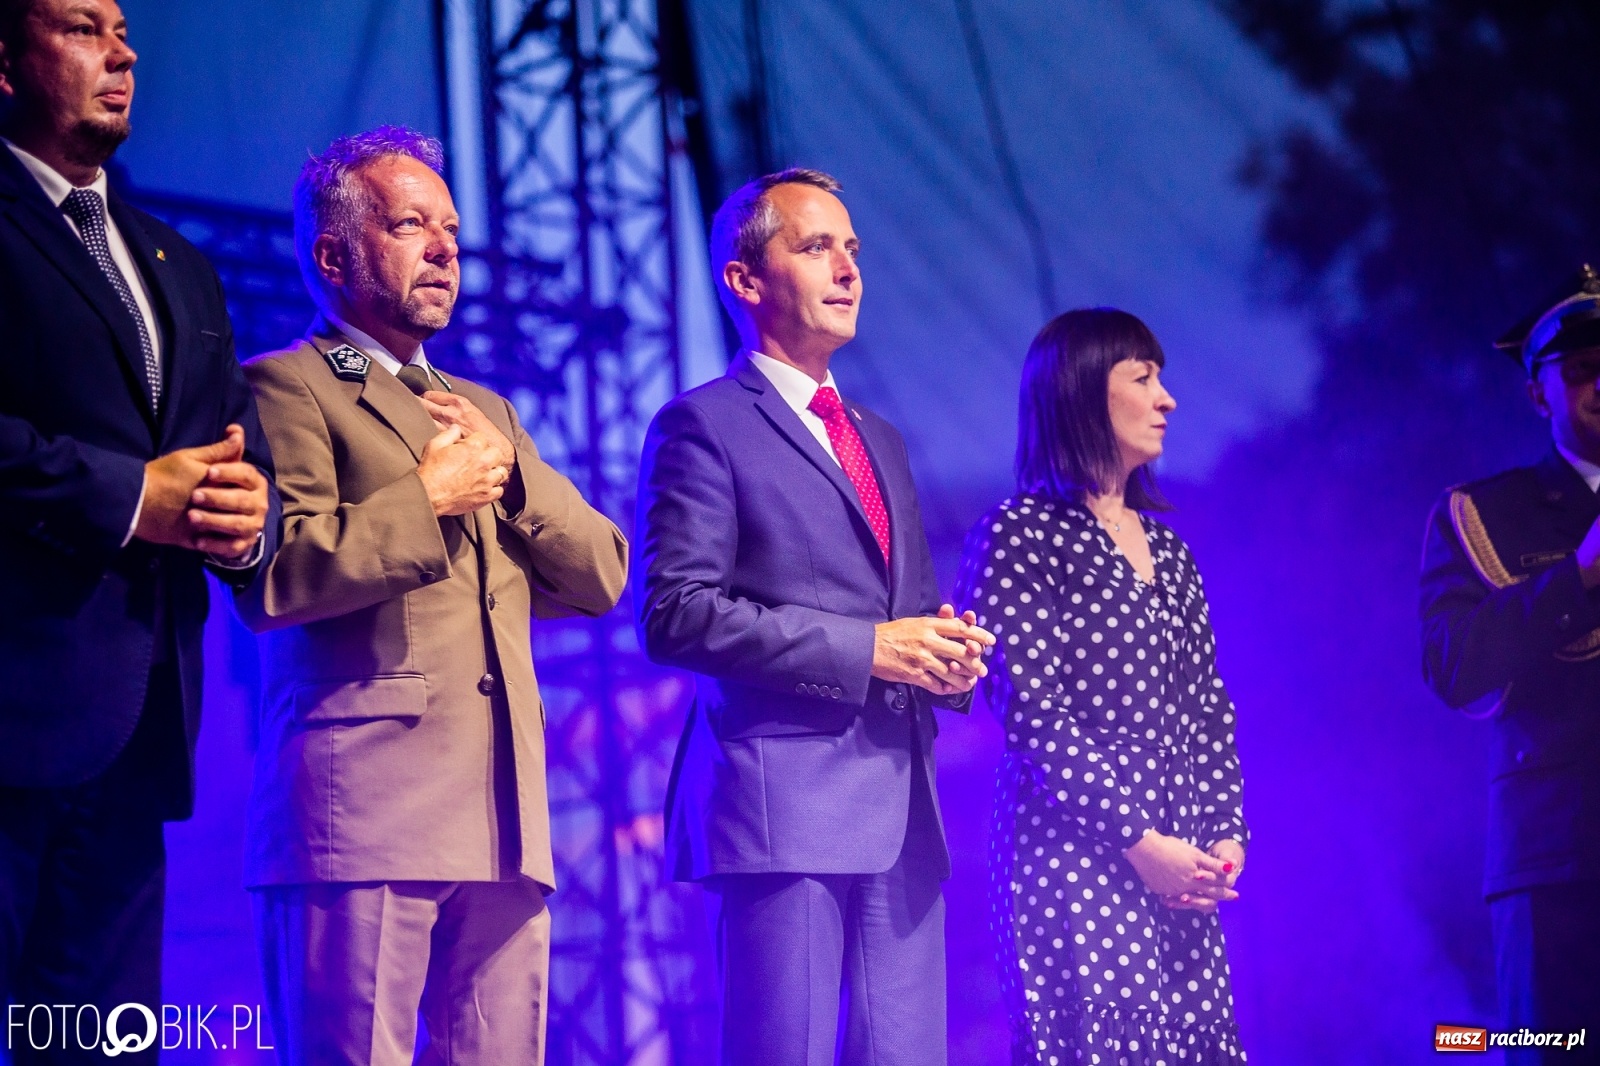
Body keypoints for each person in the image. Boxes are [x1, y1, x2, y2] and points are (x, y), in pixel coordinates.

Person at [233, 126, 627, 1066]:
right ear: (334, 256)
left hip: (505, 823)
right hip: (365, 814)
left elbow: (604, 575)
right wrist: (426, 497)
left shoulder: (487, 411)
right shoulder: (285, 386)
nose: (447, 250)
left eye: (451, 229)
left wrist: (513, 477)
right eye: (412, 226)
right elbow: (276, 577)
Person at [635, 167, 994, 1066]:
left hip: (903, 812)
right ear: (745, 280)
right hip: (782, 812)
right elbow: (675, 612)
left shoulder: (880, 438)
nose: (848, 269)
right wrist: (869, 649)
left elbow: (905, 614)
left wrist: (943, 657)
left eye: (853, 249)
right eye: (816, 246)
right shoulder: (702, 426)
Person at [0, 0, 277, 1044]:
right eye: (82, 28)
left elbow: (239, 446)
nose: (120, 52)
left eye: (123, 31)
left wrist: (247, 520)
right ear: (5, 62)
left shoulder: (177, 261)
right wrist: (129, 497)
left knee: (99, 1040)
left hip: (138, 725)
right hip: (13, 705)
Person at [953, 309, 1247, 1064]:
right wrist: (1138, 842)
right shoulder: (1019, 534)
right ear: (1082, 393)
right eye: (1142, 378)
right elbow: (1033, 715)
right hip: (1073, 855)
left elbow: (1208, 708)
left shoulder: (1171, 552)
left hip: (1179, 858)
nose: (1166, 398)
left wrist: (1223, 836)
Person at [1420, 266, 1600, 1064]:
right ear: (1538, 394)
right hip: (1560, 857)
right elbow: (1452, 665)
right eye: (1584, 369)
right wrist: (1577, 577)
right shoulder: (1486, 513)